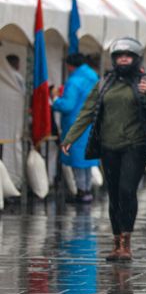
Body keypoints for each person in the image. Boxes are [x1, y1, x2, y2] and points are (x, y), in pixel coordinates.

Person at [62, 38, 146, 261]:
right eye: (119, 55)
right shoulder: (103, 84)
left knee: (127, 190)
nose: (123, 59)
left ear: (136, 59)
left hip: (136, 146)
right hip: (109, 147)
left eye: (128, 56)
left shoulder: (145, 82)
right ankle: (116, 241)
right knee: (114, 194)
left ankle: (126, 242)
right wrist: (70, 137)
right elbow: (86, 112)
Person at [53, 53, 100, 204]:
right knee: (87, 161)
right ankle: (87, 191)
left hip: (76, 125)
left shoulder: (74, 81)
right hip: (91, 124)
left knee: (78, 161)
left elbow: (68, 105)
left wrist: (55, 100)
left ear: (70, 65)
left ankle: (81, 192)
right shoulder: (94, 78)